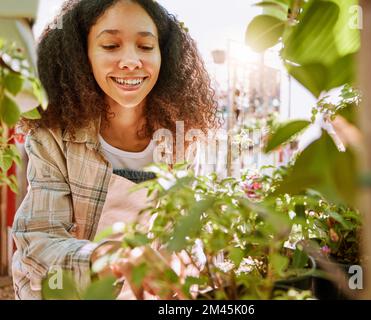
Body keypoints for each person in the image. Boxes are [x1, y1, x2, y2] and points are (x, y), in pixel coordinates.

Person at [11, 0, 219, 300]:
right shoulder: (54, 136)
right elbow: (39, 240)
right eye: (110, 45)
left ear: (165, 55)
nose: (131, 61)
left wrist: (182, 262)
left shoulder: (183, 138)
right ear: (82, 56)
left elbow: (189, 233)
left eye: (146, 47)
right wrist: (111, 257)